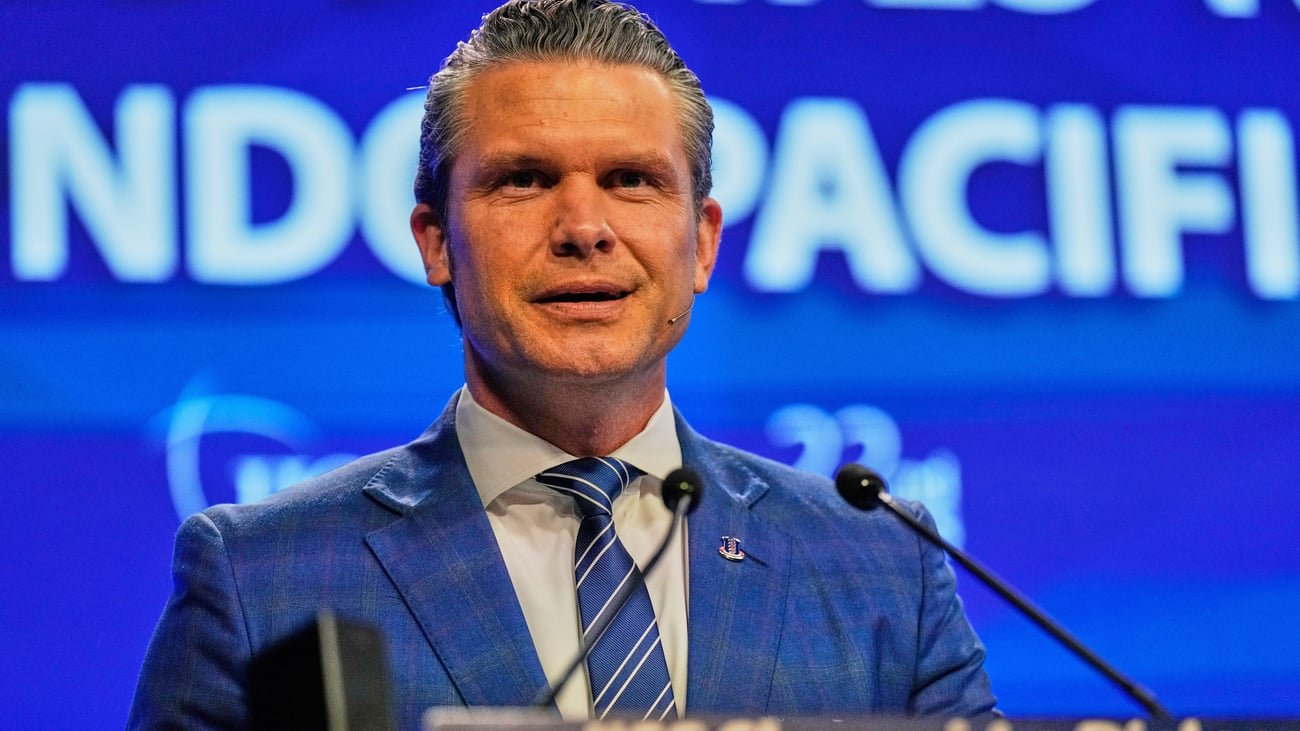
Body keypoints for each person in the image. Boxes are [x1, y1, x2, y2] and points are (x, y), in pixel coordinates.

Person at [129, 0, 997, 728]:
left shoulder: (881, 561)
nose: (584, 227)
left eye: (631, 179)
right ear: (436, 242)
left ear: (701, 243)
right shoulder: (261, 575)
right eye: (524, 179)